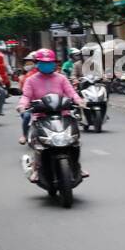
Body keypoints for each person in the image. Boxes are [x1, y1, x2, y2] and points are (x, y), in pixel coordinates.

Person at [17, 49, 86, 181]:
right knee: (38, 143)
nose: (47, 65)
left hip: (63, 115)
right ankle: (36, 168)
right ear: (37, 63)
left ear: (55, 63)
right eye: (43, 62)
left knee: (74, 141)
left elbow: (71, 93)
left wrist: (79, 101)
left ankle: (77, 166)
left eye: (50, 62)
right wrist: (22, 106)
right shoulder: (31, 80)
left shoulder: (62, 78)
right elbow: (26, 96)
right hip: (41, 116)